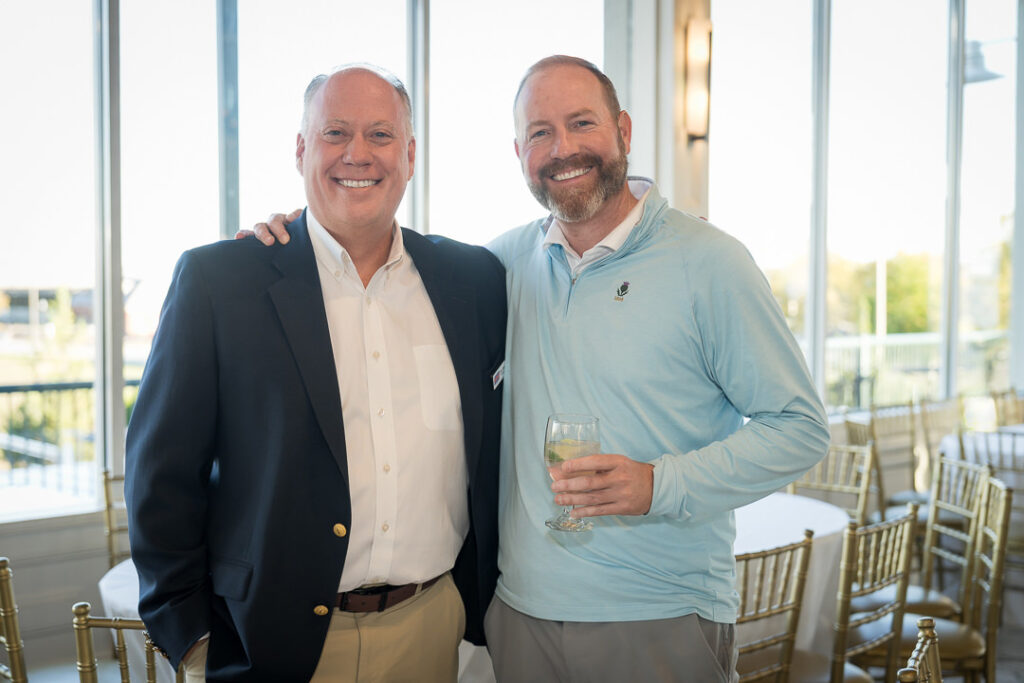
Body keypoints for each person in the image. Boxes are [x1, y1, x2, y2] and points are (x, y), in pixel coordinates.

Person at [252, 55, 829, 682]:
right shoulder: (500, 266)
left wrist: (660, 484)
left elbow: (799, 428)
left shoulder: (709, 262)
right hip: (519, 615)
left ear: (624, 132)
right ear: (520, 152)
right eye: (539, 133)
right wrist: (286, 240)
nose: (563, 149)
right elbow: (379, 258)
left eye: (582, 123)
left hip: (658, 612)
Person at [125, 65, 506, 682]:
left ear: (409, 156)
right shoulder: (222, 283)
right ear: (301, 150)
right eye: (335, 133)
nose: (358, 153)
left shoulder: (476, 281)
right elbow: (161, 476)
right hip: (270, 642)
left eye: (381, 135)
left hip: (431, 628)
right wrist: (191, 636)